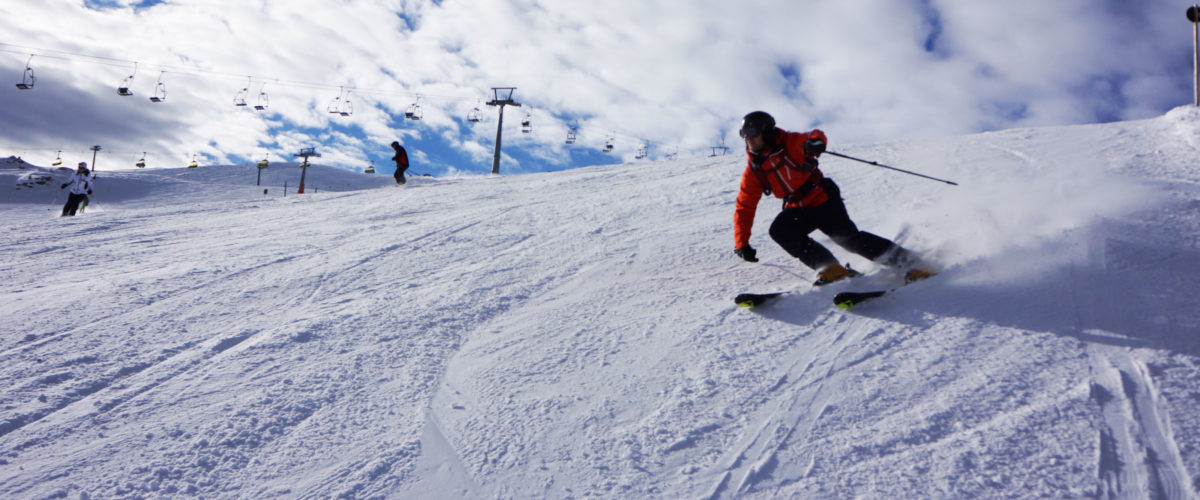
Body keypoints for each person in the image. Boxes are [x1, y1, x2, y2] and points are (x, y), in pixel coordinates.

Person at [732, 111, 933, 285]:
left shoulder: (789, 143)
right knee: (780, 231)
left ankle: (911, 263)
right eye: (744, 134)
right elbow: (744, 207)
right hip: (797, 207)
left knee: (849, 240)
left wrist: (815, 143)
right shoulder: (754, 171)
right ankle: (831, 269)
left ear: (766, 131)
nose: (748, 138)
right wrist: (742, 244)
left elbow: (813, 135)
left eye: (752, 132)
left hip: (821, 197)